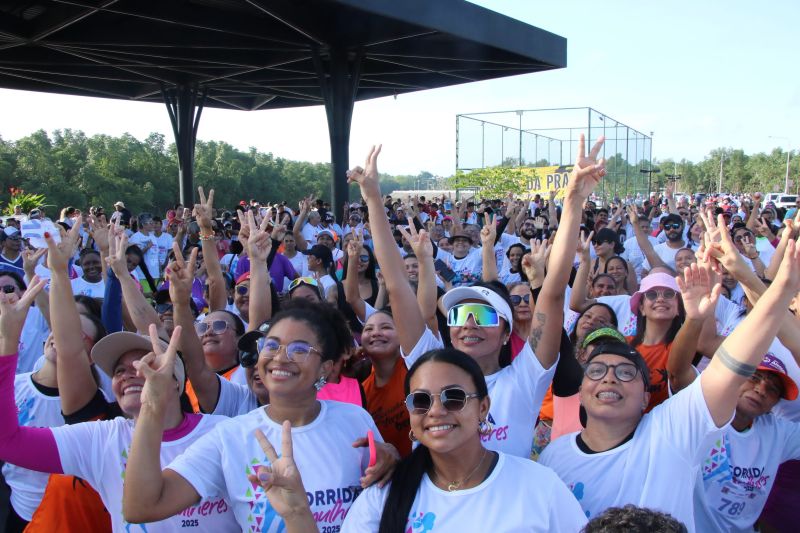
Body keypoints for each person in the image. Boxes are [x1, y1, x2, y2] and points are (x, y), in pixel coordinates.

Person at [349, 137, 606, 458]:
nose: (468, 324)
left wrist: (573, 201)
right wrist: (373, 198)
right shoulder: (430, 365)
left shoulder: (524, 380)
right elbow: (399, 286)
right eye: (459, 315)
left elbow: (552, 295)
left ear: (505, 333)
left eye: (483, 316)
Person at [539, 234, 800, 529]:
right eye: (597, 371)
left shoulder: (670, 434)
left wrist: (779, 292)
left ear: (646, 396)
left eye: (626, 373)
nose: (610, 377)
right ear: (582, 393)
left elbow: (731, 368)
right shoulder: (552, 459)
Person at [121, 299, 399, 532]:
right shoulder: (230, 436)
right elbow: (141, 506)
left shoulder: (355, 419)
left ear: (325, 368)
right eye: (271, 345)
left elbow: (381, 491)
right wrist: (151, 406)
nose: (279, 357)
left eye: (299, 349)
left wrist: (392, 461)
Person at [341, 349, 587, 532]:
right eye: (420, 401)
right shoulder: (384, 495)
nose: (436, 411)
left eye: (454, 398)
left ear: (483, 408)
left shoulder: (539, 485)